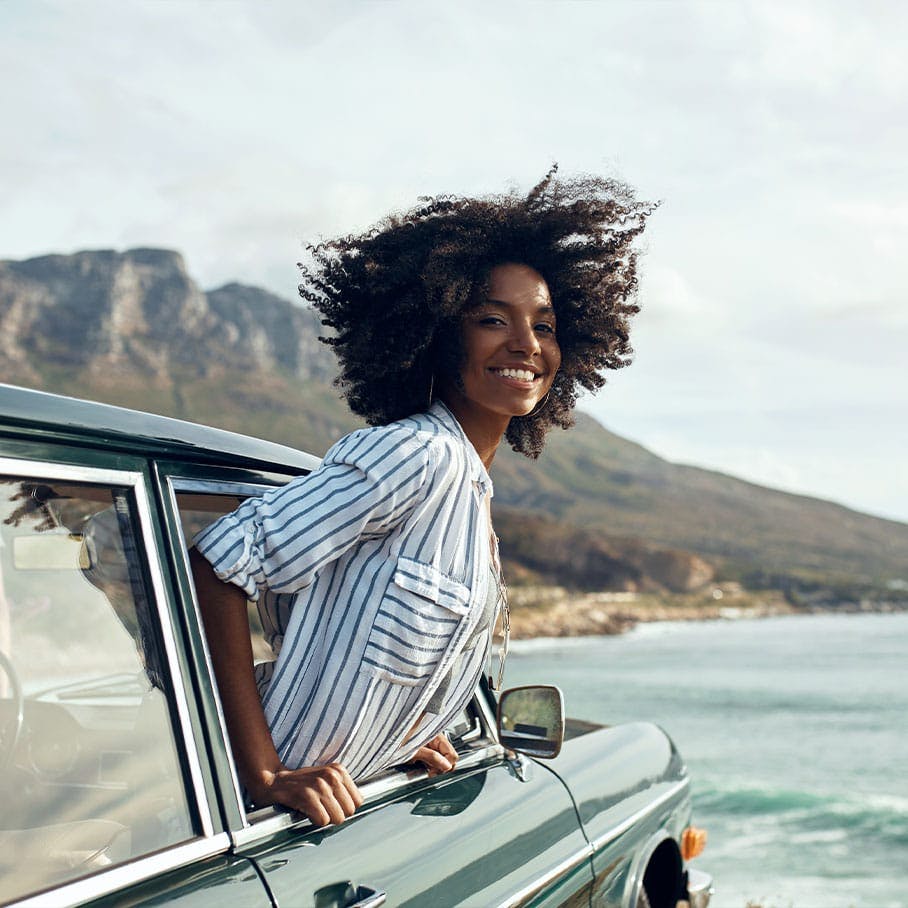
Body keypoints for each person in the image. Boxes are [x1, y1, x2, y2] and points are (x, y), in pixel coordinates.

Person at [190, 166, 652, 828]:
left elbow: (354, 633)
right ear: (437, 331)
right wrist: (264, 771)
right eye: (492, 319)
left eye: (544, 326)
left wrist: (403, 732)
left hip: (329, 819)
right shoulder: (419, 455)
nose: (525, 344)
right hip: (253, 828)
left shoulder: (468, 487)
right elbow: (219, 563)